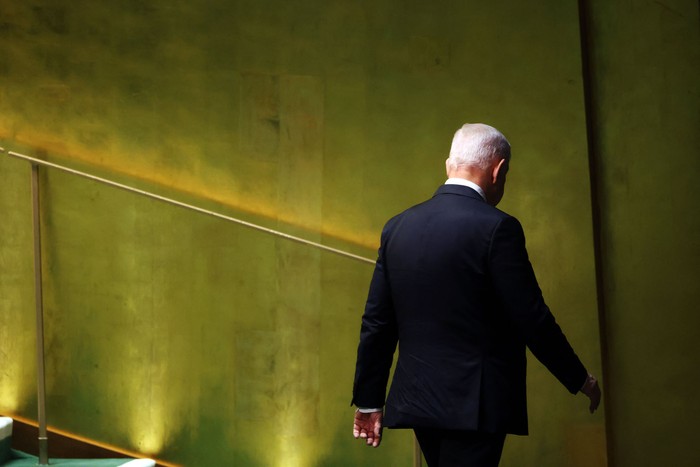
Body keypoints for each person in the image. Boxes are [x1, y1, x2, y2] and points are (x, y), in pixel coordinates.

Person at [351, 123, 601, 466]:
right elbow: (531, 317)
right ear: (498, 170)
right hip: (476, 405)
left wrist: (368, 401)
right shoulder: (498, 228)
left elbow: (377, 321)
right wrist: (578, 378)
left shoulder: (397, 227)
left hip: (418, 401)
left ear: (448, 165)